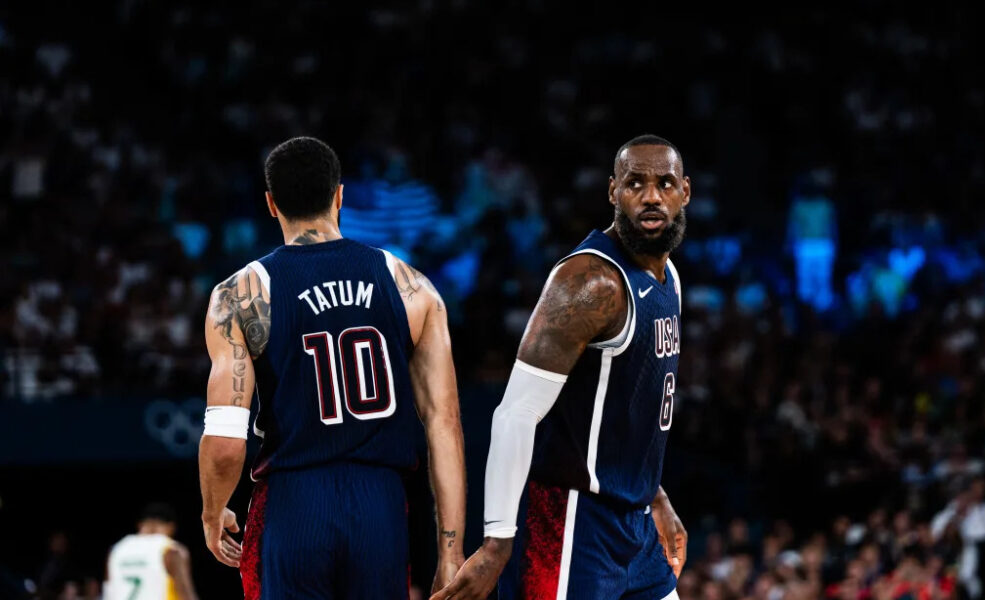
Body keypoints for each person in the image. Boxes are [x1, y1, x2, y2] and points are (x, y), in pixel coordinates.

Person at [198, 136, 466, 599]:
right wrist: (451, 552)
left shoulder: (239, 294)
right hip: (380, 504)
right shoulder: (413, 286)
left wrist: (212, 511)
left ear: (271, 203)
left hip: (294, 500)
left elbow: (224, 444)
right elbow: (445, 425)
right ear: (340, 196)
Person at [434, 134, 690, 600]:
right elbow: (515, 414)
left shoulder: (668, 277)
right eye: (635, 183)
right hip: (572, 523)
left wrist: (656, 495)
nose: (651, 196)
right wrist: (496, 543)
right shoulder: (590, 282)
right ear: (613, 192)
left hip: (634, 524)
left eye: (664, 184)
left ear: (685, 193)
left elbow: (631, 415)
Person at [105, 503, 197, 600]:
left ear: (140, 525)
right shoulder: (171, 550)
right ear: (171, 527)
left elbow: (108, 593)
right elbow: (185, 595)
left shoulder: (116, 550)